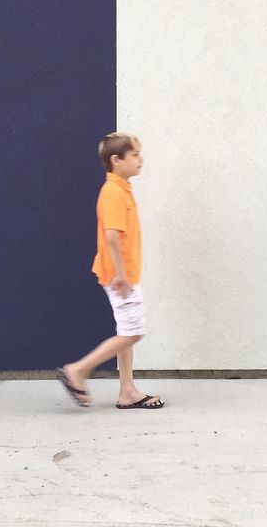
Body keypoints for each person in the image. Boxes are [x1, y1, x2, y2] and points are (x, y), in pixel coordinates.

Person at [56, 132, 164, 409]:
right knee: (133, 332)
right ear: (116, 160)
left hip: (124, 274)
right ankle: (78, 370)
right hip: (121, 277)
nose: (141, 159)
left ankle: (127, 391)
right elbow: (113, 236)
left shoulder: (121, 188)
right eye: (135, 155)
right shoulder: (114, 192)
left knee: (126, 330)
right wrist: (120, 275)